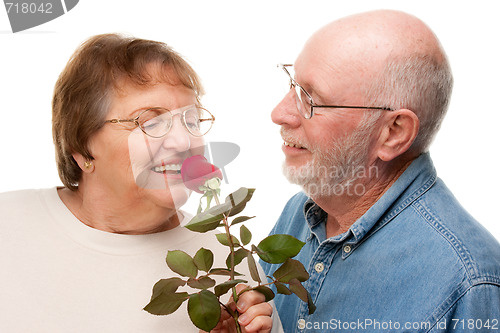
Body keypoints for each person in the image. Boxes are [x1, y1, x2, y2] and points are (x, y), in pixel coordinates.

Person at [0, 33, 278, 333]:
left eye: (191, 121)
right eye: (151, 122)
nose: (184, 140)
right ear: (82, 148)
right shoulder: (9, 223)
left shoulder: (234, 272)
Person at [260, 10, 500, 333]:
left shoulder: (469, 283)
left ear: (394, 133)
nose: (279, 113)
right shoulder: (298, 213)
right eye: (293, 83)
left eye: (310, 98)